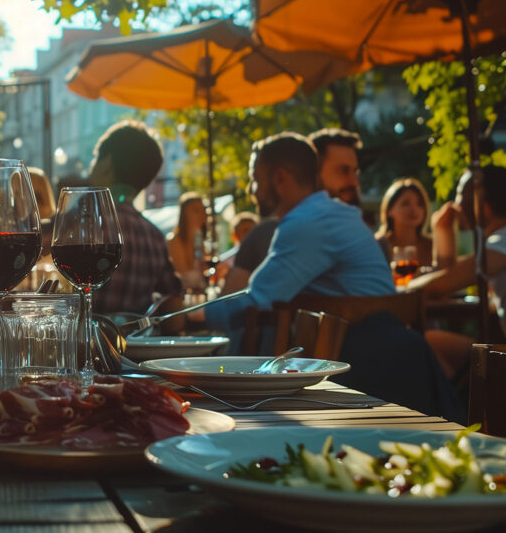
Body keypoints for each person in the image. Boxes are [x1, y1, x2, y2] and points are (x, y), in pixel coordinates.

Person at [190, 132, 462, 422]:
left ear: (280, 179)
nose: (251, 189)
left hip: (362, 373)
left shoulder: (307, 223)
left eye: (255, 179)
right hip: (396, 361)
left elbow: (258, 301)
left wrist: (188, 316)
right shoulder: (333, 214)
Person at [222, 128, 364, 294]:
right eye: (343, 170)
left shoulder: (309, 224)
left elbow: (254, 299)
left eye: (355, 172)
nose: (354, 182)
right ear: (315, 172)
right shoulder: (332, 221)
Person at [413, 165, 506, 378]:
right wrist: (444, 231)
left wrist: (403, 287)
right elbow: (452, 277)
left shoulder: (501, 244)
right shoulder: (497, 246)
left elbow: (439, 285)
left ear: (482, 204)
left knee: (424, 342)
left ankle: (457, 410)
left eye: (461, 195)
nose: (455, 204)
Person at [88, 120, 183, 320]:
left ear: (106, 163)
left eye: (96, 157)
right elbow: (175, 300)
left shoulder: (83, 223)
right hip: (132, 345)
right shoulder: (155, 237)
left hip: (85, 345)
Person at [374, 178, 434, 267]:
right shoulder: (377, 246)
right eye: (405, 204)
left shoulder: (433, 246)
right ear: (389, 210)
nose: (414, 209)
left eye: (419, 204)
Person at [167, 192, 208, 291]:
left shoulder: (199, 241)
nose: (202, 214)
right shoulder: (174, 241)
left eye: (203, 210)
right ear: (184, 215)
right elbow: (184, 280)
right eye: (196, 210)